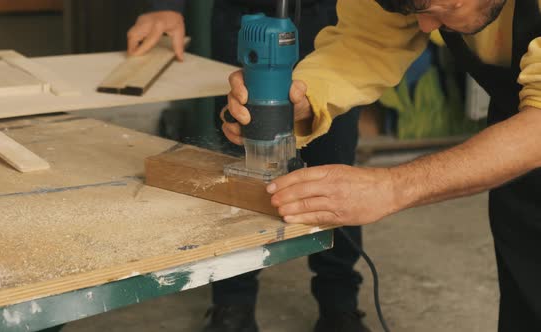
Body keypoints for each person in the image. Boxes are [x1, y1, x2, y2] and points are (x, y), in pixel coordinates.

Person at [223, 0, 541, 331]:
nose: (426, 27)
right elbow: (367, 41)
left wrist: (392, 187)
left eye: (441, 9)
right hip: (514, 135)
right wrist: (303, 98)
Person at [127, 1, 370, 332]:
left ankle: (339, 305)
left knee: (333, 169)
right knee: (236, 158)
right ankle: (232, 304)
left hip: (337, 17)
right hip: (244, 13)